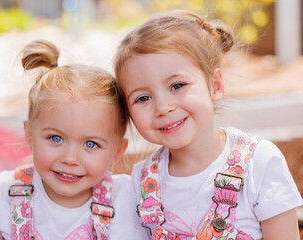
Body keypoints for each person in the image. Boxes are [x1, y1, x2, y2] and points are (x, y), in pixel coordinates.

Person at [113, 10, 303, 240]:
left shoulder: (259, 163)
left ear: (215, 85)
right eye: (143, 98)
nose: (163, 107)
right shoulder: (141, 182)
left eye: (177, 85)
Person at [0, 40, 147, 239]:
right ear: (29, 136)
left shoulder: (126, 200)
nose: (70, 158)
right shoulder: (5, 194)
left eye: (91, 144)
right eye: (55, 138)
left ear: (116, 152)